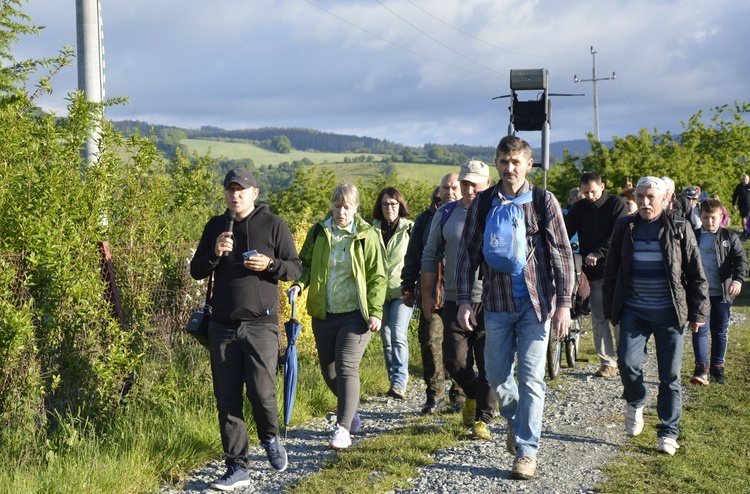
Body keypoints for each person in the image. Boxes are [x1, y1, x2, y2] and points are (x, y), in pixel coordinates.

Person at [456, 136, 574, 480]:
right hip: (495, 302)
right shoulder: (483, 203)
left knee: (532, 377)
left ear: (528, 164)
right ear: (497, 163)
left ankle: (526, 451)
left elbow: (562, 255)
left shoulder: (543, 201)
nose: (510, 168)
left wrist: (565, 304)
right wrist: (465, 300)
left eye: (516, 162)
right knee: (495, 375)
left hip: (537, 305)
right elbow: (467, 254)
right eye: (504, 162)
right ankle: (518, 419)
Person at [190, 168, 302, 490]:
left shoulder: (274, 224)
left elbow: (294, 267)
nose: (235, 195)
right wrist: (214, 253)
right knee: (227, 399)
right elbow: (197, 270)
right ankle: (237, 467)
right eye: (230, 190)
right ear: (225, 194)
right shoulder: (215, 226)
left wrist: (270, 265)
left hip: (261, 324)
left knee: (262, 391)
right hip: (222, 326)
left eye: (241, 190)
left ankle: (269, 437)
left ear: (254, 193)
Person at [603, 176, 708, 456]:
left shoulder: (679, 227)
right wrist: (610, 310)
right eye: (640, 196)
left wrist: (698, 311)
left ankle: (668, 432)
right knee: (626, 363)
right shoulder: (625, 227)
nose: (645, 202)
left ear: (664, 199)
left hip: (669, 313)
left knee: (670, 375)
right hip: (633, 311)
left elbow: (696, 274)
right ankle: (636, 399)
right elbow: (611, 270)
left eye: (651, 197)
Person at [289, 183, 386, 450]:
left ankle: (343, 429)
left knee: (346, 367)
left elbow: (378, 276)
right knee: (329, 371)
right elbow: (305, 264)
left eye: (347, 207)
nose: (341, 211)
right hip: (324, 311)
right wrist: (299, 284)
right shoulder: (319, 232)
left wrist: (376, 311)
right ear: (331, 205)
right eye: (337, 206)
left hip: (356, 314)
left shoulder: (368, 235)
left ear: (356, 208)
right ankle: (351, 411)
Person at [422, 160, 496, 441]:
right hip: (454, 298)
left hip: (491, 300)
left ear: (488, 183)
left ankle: (482, 420)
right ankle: (475, 394)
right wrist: (428, 296)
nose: (469, 189)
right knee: (454, 361)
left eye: (475, 183)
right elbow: (430, 255)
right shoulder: (446, 212)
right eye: (465, 183)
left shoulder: (498, 211)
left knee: (489, 362)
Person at [401, 176, 464, 414]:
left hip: (461, 295)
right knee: (429, 344)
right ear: (438, 190)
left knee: (459, 348)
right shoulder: (426, 219)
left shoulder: (470, 214)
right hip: (431, 293)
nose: (449, 191)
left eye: (454, 188)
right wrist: (408, 287)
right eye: (445, 187)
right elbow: (413, 255)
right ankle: (435, 396)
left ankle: (459, 394)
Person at [565, 172, 628, 378]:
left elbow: (618, 234)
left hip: (616, 269)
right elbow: (565, 231)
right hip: (592, 273)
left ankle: (625, 358)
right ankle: (608, 362)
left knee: (618, 315)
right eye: (585, 192)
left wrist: (598, 253)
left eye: (593, 191)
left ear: (602, 186)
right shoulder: (578, 208)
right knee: (599, 318)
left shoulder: (616, 204)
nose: (590, 196)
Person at [690, 198, 747, 385]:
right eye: (706, 218)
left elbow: (740, 260)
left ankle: (717, 368)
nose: (710, 222)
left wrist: (737, 280)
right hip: (700, 294)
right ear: (700, 217)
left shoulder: (729, 238)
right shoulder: (694, 237)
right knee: (699, 329)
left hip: (723, 292)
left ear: (721, 217)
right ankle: (701, 367)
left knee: (720, 331)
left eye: (713, 218)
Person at [372, 186, 414, 400]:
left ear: (400, 205)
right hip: (379, 293)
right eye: (386, 204)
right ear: (380, 207)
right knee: (386, 338)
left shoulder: (409, 228)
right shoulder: (371, 229)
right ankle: (393, 381)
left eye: (394, 203)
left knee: (398, 335)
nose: (390, 207)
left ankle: (400, 381)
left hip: (402, 291)